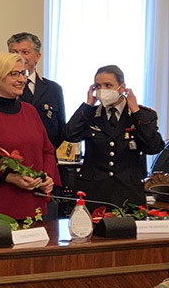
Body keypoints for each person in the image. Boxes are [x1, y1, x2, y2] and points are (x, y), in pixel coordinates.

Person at [0, 53, 60, 220]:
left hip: (34, 204)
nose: (22, 79)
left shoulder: (30, 111)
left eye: (23, 73)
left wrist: (47, 177)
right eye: (14, 74)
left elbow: (47, 150)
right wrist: (7, 177)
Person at [64, 65, 164, 209]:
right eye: (98, 86)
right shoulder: (90, 114)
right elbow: (70, 134)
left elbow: (153, 147)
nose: (102, 90)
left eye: (108, 85)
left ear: (122, 88)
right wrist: (88, 104)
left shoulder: (142, 115)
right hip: (93, 192)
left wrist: (136, 112)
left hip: (128, 192)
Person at [7, 32, 66, 150]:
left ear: (37, 56)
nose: (19, 57)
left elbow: (61, 131)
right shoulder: (2, 87)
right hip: (13, 155)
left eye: (25, 52)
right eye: (14, 53)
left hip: (46, 155)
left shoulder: (53, 89)